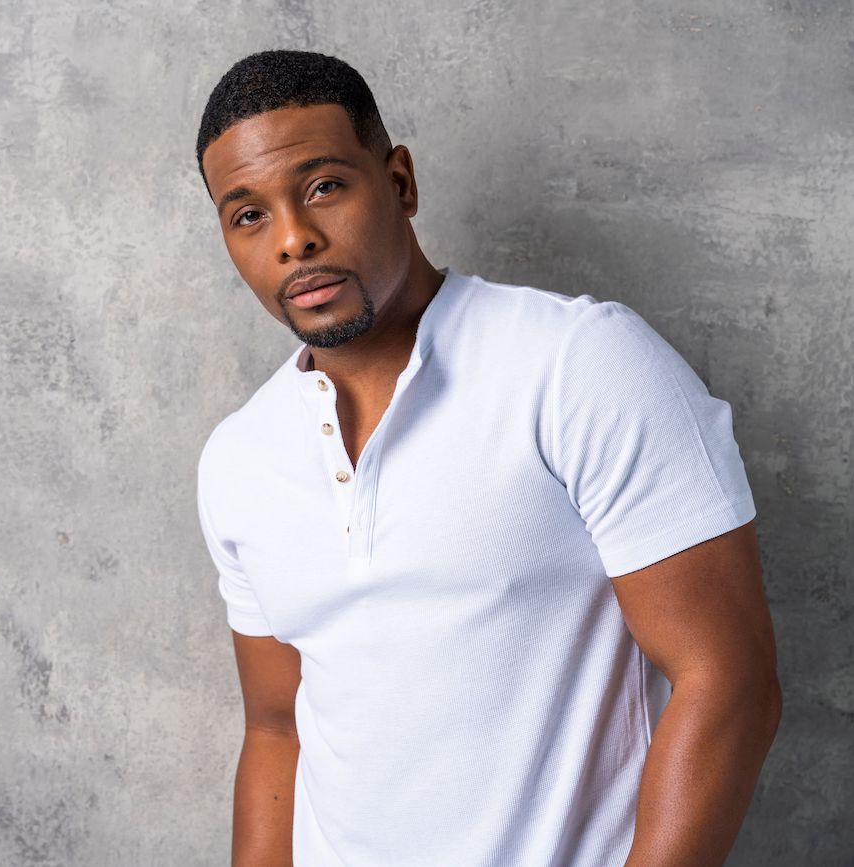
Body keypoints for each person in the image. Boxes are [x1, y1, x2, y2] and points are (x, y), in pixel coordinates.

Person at [192, 49, 782, 867]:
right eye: (249, 215)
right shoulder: (238, 458)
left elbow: (730, 679)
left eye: (323, 186)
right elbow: (275, 728)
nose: (294, 239)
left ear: (399, 182)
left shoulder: (578, 364)